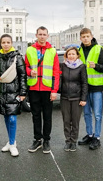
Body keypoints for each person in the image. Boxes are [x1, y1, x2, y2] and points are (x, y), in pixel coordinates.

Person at [25, 26, 60, 154]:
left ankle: (46, 140)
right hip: (34, 87)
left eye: (44, 34)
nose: (42, 36)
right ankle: (37, 139)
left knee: (47, 116)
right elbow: (26, 67)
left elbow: (56, 72)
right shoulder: (29, 50)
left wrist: (54, 90)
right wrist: (29, 71)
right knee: (35, 115)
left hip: (47, 88)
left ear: (47, 36)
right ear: (36, 35)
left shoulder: (52, 51)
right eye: (40, 34)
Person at [0, 34, 27, 157]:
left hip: (14, 91)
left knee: (12, 118)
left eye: (8, 42)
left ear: (11, 43)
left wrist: (23, 92)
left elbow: (23, 75)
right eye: (3, 42)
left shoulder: (17, 57)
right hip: (2, 91)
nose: (6, 44)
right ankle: (10, 141)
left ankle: (12, 144)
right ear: (0, 44)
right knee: (6, 117)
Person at [78, 28, 103, 150]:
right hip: (84, 87)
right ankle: (90, 135)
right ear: (80, 38)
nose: (85, 38)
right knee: (86, 113)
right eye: (83, 36)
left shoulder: (98, 49)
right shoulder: (79, 50)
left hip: (96, 87)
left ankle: (97, 137)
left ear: (91, 36)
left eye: (87, 36)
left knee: (97, 114)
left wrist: (96, 66)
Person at [60, 47, 88, 152]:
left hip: (77, 98)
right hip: (65, 97)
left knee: (75, 121)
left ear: (77, 55)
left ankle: (74, 141)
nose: (71, 56)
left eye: (73, 54)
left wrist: (83, 98)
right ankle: (68, 141)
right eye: (69, 54)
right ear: (66, 56)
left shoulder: (81, 67)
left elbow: (84, 83)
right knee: (66, 121)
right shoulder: (62, 66)